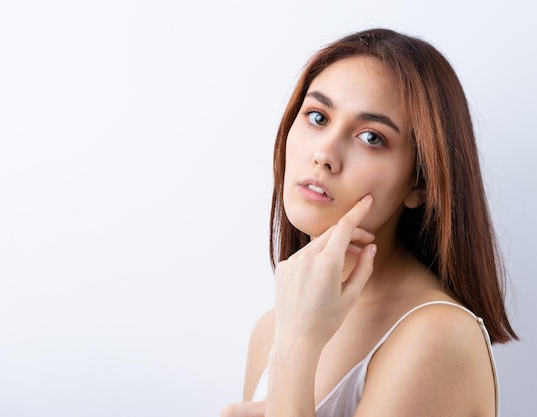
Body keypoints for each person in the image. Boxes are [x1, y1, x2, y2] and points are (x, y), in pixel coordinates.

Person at [221, 27, 517, 417]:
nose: (325, 153)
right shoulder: (274, 328)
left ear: (420, 183)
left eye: (371, 137)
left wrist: (295, 352)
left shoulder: (437, 337)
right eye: (317, 116)